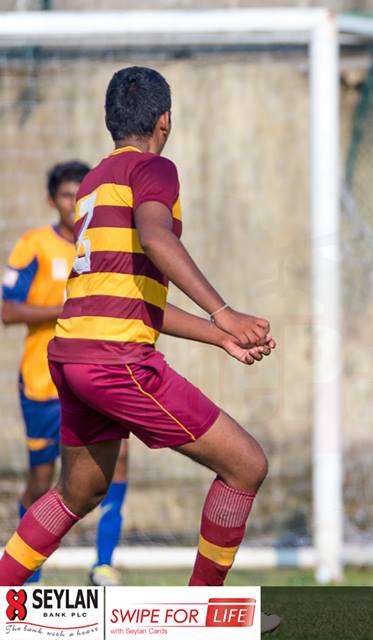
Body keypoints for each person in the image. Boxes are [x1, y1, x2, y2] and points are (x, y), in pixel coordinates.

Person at [0, 66, 275, 591]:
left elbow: (131, 298)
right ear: (164, 120)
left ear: (110, 122)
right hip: (116, 361)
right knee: (246, 464)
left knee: (76, 493)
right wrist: (224, 312)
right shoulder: (154, 169)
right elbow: (156, 239)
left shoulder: (92, 183)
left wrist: (218, 338)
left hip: (72, 356)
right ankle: (202, 612)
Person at [2, 161, 130, 585]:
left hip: (97, 375)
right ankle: (27, 573)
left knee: (118, 460)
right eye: (64, 196)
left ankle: (104, 564)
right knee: (44, 479)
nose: (72, 203)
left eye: (79, 195)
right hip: (42, 381)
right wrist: (67, 307)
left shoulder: (105, 242)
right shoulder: (34, 245)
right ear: (51, 199)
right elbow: (8, 309)